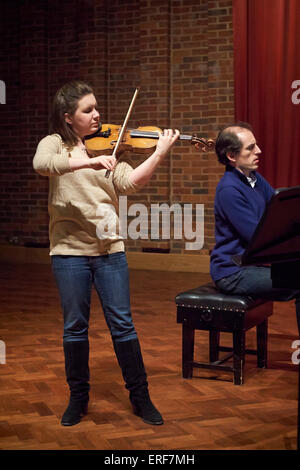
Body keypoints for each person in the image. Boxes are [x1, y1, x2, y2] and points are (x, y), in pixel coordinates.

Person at [33, 80, 179, 427]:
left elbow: (130, 183)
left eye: (96, 107)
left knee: (123, 326)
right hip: (69, 252)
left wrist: (159, 152)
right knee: (74, 328)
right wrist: (88, 163)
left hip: (109, 249)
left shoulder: (113, 149)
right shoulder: (56, 144)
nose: (97, 114)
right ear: (69, 117)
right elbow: (42, 164)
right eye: (88, 110)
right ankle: (78, 399)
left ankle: (141, 397)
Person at [210, 121, 300, 330]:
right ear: (232, 156)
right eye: (250, 148)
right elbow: (259, 236)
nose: (258, 151)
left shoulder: (254, 179)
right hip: (233, 271)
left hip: (253, 265)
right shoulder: (229, 190)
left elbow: (280, 209)